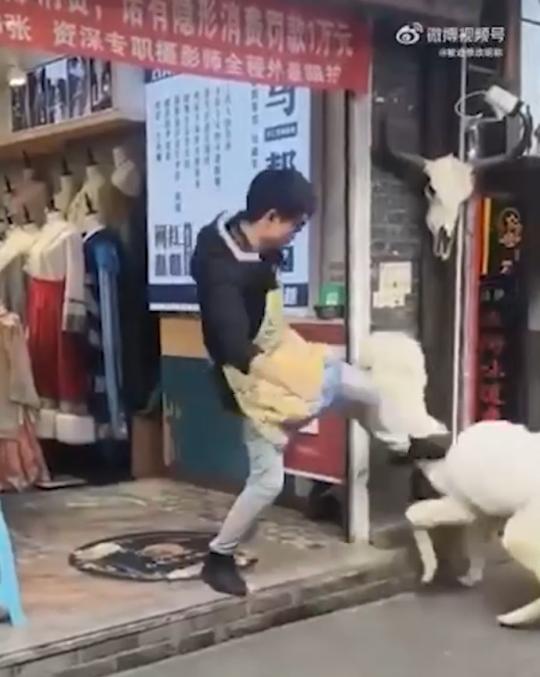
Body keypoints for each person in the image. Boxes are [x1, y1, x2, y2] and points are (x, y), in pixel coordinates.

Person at [191, 169, 410, 597]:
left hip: (283, 352)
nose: (295, 236)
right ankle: (219, 558)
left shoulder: (245, 237)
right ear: (270, 217)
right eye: (295, 226)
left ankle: (403, 445)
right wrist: (294, 380)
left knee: (364, 389)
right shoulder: (221, 273)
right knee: (268, 481)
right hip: (254, 377)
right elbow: (233, 347)